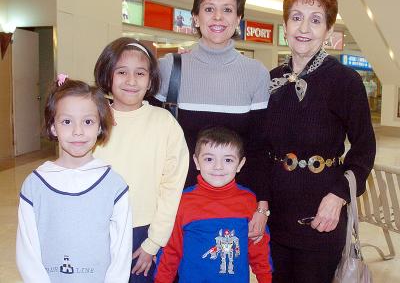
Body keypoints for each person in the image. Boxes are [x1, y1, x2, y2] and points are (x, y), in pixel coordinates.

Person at [262, 0, 376, 282]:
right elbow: (259, 147)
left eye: (315, 20)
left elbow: (364, 149)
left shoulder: (345, 81)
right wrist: (260, 205)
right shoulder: (270, 80)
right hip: (274, 219)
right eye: (296, 18)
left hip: (320, 218)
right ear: (284, 24)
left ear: (328, 30)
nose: (303, 29)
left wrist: (338, 196)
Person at [153, 0, 271, 242]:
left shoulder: (255, 74)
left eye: (227, 9)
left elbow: (258, 148)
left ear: (238, 19)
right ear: (195, 17)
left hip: (232, 206)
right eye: (209, 9)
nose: (218, 17)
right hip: (177, 204)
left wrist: (262, 206)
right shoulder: (169, 68)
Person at [16, 76, 132, 283]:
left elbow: (121, 250)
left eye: (88, 121)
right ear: (53, 127)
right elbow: (27, 251)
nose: (77, 131)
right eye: (67, 121)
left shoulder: (115, 186)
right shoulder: (34, 185)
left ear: (99, 127)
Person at [93, 38, 189, 283]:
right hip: (99, 228)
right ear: (107, 74)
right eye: (122, 72)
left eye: (140, 73)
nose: (131, 80)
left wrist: (154, 241)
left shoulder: (164, 122)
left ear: (150, 79)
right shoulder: (93, 119)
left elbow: (172, 187)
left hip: (148, 232)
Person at [154, 127, 273, 283]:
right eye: (209, 159)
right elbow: (170, 251)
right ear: (196, 161)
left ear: (240, 164)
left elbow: (260, 249)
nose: (218, 166)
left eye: (228, 160)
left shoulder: (249, 201)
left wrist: (265, 279)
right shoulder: (183, 202)